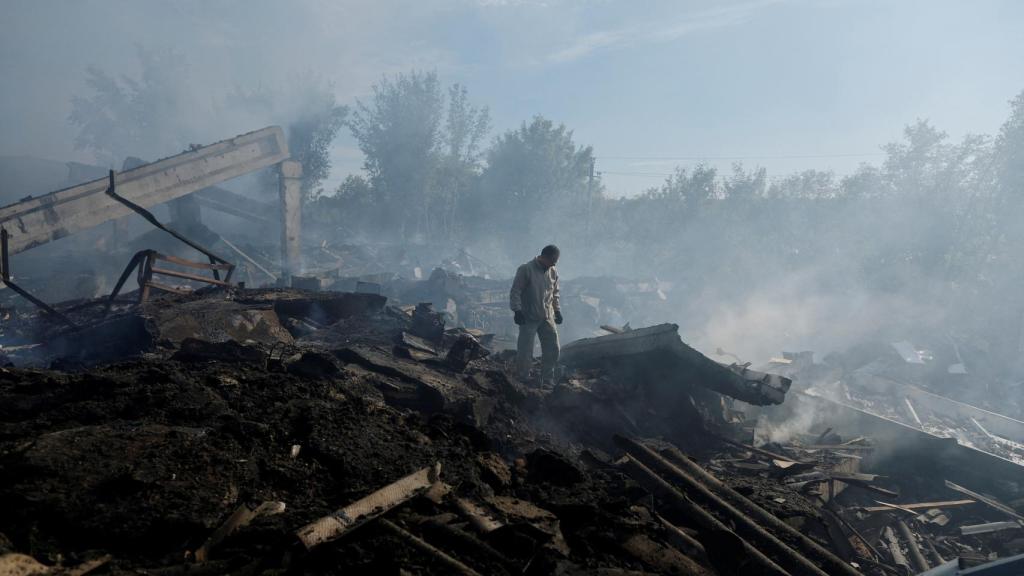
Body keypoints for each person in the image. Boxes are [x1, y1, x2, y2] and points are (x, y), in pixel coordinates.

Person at [509, 244, 562, 384]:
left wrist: (557, 310)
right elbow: (516, 291)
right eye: (553, 259)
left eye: (556, 260)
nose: (555, 262)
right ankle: (523, 377)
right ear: (543, 257)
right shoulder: (526, 269)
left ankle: (547, 377)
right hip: (529, 317)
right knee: (526, 350)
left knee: (553, 348)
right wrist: (517, 310)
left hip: (547, 316)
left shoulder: (553, 271)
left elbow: (555, 293)